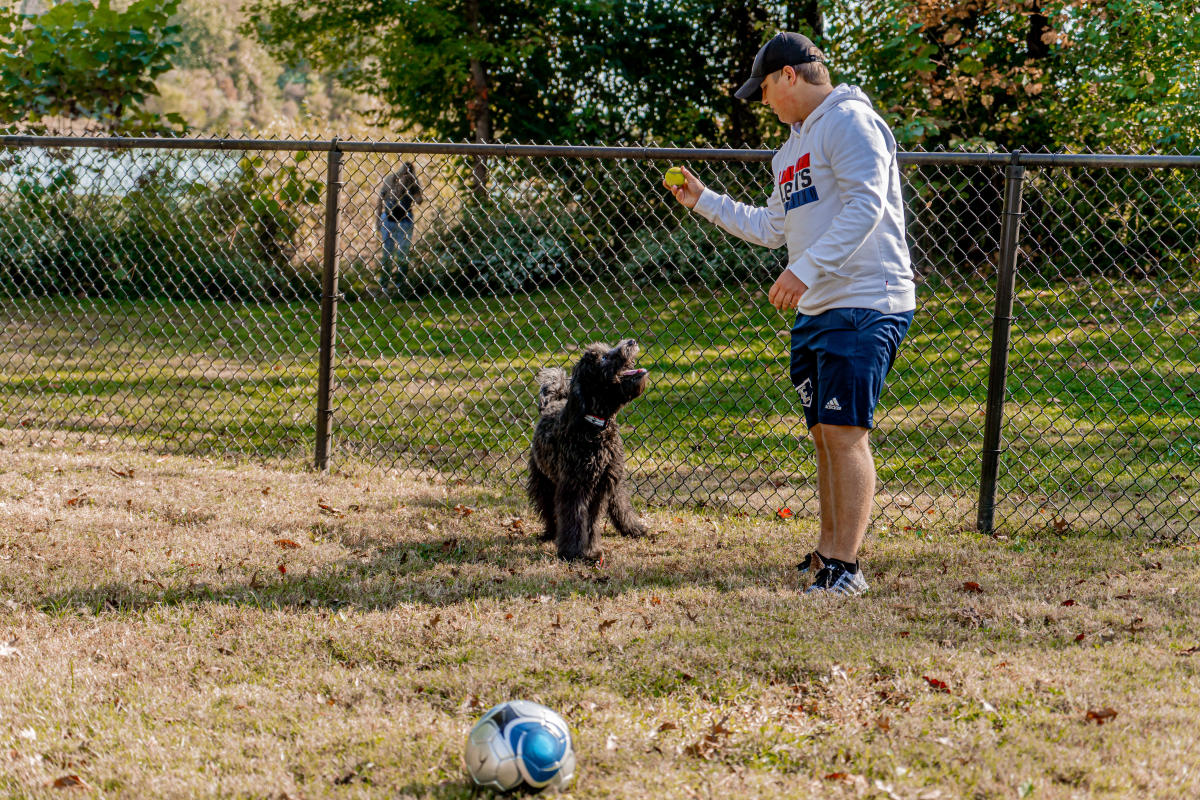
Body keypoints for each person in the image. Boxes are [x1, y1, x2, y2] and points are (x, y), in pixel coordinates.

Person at [665, 32, 917, 596]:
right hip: (820, 305)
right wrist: (704, 201)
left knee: (846, 432)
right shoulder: (790, 151)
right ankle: (827, 554)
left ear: (790, 76)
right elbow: (772, 228)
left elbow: (867, 205)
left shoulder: (851, 122)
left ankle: (846, 569)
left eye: (764, 91)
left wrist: (806, 270)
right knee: (825, 434)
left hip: (866, 298)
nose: (763, 103)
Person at [376, 162, 424, 296]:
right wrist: (378, 219)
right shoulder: (391, 180)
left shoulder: (412, 183)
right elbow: (381, 199)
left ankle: (398, 285)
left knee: (401, 254)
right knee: (389, 253)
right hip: (391, 218)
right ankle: (386, 285)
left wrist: (413, 187)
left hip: (403, 218)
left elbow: (419, 200)